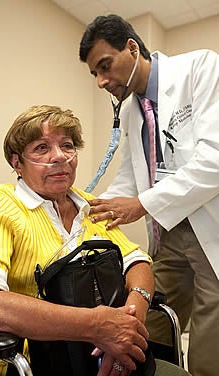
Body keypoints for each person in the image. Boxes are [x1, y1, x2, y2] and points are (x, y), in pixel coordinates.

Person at [0, 105, 191, 376]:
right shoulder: (3, 204)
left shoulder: (87, 203)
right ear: (17, 163)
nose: (59, 156)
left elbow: (137, 262)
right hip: (32, 362)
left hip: (99, 354)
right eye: (41, 148)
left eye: (67, 145)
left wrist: (129, 322)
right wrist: (98, 326)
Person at [79, 14, 219, 376]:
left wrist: (141, 205)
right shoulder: (131, 111)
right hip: (168, 233)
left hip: (210, 226)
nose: (100, 81)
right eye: (95, 73)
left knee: (208, 342)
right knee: (152, 329)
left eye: (105, 67)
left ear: (132, 47)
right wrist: (87, 209)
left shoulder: (199, 68)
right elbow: (131, 176)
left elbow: (214, 160)